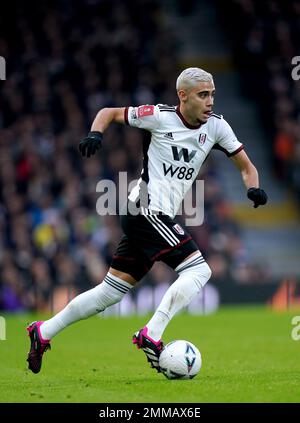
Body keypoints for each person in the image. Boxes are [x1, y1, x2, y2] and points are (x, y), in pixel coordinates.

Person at [26, 67, 267, 374]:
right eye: (203, 95)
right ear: (183, 96)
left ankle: (43, 331)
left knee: (109, 292)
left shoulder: (218, 127)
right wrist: (95, 133)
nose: (210, 102)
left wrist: (254, 187)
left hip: (155, 215)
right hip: (145, 209)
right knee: (199, 270)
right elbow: (109, 112)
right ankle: (151, 334)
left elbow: (246, 166)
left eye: (213, 95)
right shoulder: (158, 116)